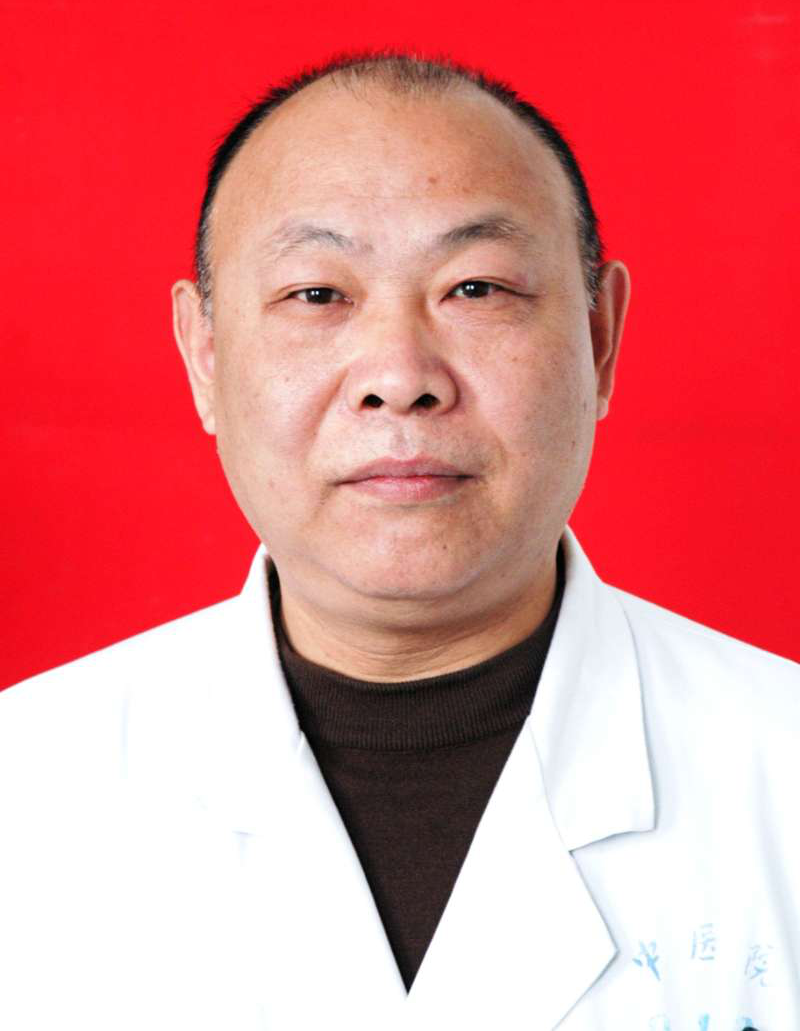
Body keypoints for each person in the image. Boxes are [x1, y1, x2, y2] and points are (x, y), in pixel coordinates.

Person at [0, 52, 794, 1031]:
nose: (399, 376)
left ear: (600, 338)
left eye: (476, 287)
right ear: (203, 353)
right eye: (316, 295)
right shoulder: (25, 787)